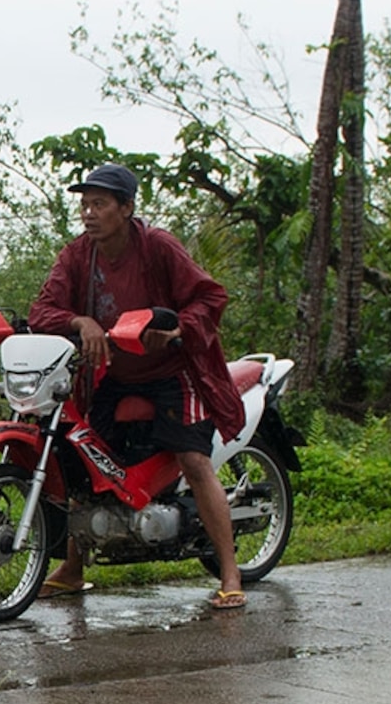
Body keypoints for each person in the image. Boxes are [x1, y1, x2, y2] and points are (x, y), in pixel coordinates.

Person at [28, 164, 252, 610]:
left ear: (126, 209)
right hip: (114, 375)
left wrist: (175, 331)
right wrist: (81, 321)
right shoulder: (77, 256)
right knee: (83, 457)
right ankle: (72, 567)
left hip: (173, 372)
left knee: (194, 459)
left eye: (100, 204)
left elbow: (210, 297)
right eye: (85, 204)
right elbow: (43, 309)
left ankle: (230, 574)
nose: (89, 214)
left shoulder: (157, 246)